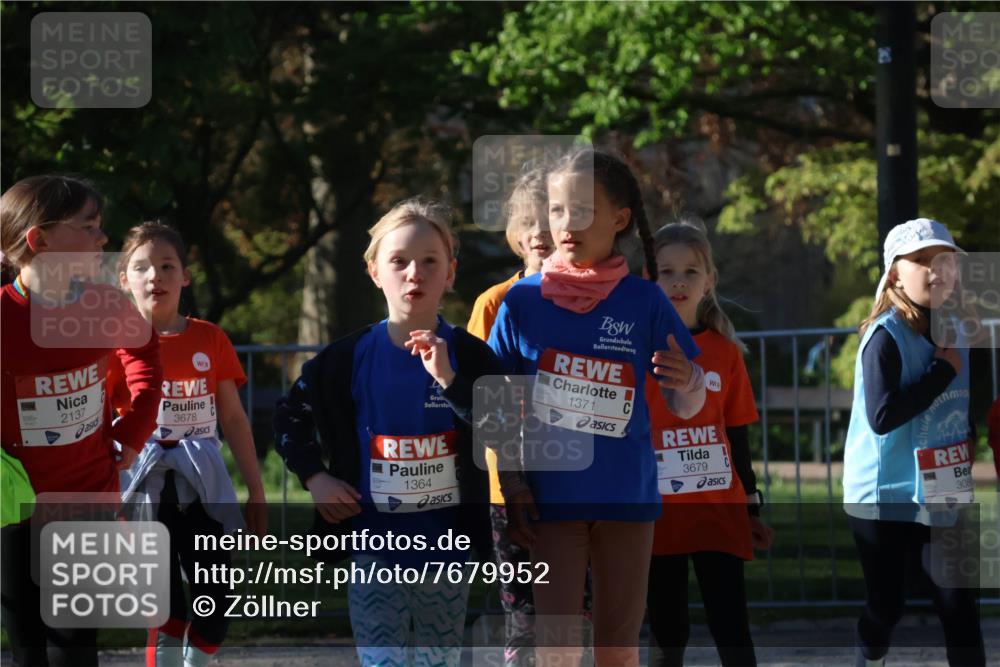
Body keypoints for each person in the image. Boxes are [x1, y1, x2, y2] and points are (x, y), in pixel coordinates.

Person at [487, 148, 706, 667]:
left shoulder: (645, 301)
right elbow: (494, 404)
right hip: (551, 501)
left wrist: (691, 381)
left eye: (583, 210)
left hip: (626, 498)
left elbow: (686, 403)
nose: (566, 224)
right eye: (557, 210)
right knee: (557, 649)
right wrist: (513, 482)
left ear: (620, 219)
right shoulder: (522, 302)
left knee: (618, 648)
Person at [274, 197, 498, 667]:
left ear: (450, 273)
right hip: (373, 545)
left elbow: (506, 432)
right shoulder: (344, 358)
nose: (414, 273)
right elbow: (288, 417)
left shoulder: (473, 356)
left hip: (447, 548)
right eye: (399, 261)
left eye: (429, 261)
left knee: (438, 662)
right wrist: (315, 476)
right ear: (374, 271)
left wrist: (451, 382)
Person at [1, 175, 162, 666]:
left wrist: (133, 430)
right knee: (28, 645)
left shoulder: (104, 305)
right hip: (13, 507)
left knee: (74, 647)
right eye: (88, 227)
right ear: (40, 240)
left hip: (86, 496)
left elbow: (145, 354)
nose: (102, 238)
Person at [109, 221, 267, 667]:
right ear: (124, 280)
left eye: (166, 266)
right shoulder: (112, 343)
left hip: (202, 485)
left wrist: (256, 491)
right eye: (141, 267)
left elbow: (233, 418)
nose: (155, 276)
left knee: (215, 599)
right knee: (164, 606)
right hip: (144, 486)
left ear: (186, 276)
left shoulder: (208, 338)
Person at [843, 218, 985, 667]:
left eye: (945, 260)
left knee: (959, 603)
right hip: (885, 493)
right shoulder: (884, 336)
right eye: (921, 260)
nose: (936, 269)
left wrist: (966, 437)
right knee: (887, 606)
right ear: (894, 274)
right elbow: (882, 417)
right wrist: (941, 372)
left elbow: (958, 402)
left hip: (943, 486)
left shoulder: (958, 330)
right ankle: (870, 655)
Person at [644, 219, 774, 667]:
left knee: (731, 626)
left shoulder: (725, 351)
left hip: (720, 509)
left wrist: (751, 506)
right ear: (648, 278)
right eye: (666, 271)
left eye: (690, 271)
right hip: (657, 513)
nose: (679, 282)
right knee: (668, 632)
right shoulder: (633, 348)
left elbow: (737, 433)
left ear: (710, 280)